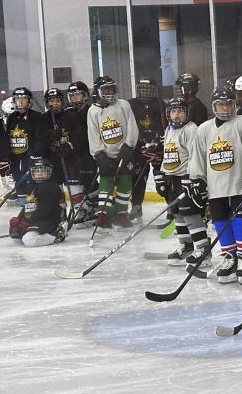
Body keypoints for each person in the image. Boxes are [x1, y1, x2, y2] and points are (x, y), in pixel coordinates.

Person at [187, 83, 242, 285]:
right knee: (220, 222)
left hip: (240, 185)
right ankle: (230, 258)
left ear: (234, 104)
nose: (225, 109)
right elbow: (198, 158)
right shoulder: (204, 129)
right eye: (220, 105)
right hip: (215, 187)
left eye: (228, 104)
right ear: (214, 106)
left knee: (241, 221)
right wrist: (197, 179)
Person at [156, 97, 208, 267]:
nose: (176, 115)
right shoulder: (169, 129)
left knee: (190, 213)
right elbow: (167, 153)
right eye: (173, 111)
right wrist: (162, 174)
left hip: (187, 177)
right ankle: (186, 245)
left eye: (179, 111)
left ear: (187, 113)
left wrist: (193, 179)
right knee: (177, 212)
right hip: (173, 178)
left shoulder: (191, 130)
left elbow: (196, 156)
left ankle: (202, 250)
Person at [87, 76, 139, 228]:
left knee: (124, 182)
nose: (109, 92)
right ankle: (104, 213)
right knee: (105, 184)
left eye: (111, 88)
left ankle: (121, 214)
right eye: (105, 89)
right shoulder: (93, 111)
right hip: (106, 155)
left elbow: (132, 126)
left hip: (125, 153)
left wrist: (129, 146)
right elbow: (93, 133)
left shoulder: (123, 105)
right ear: (97, 92)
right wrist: (99, 154)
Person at [128, 77, 166, 221]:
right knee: (137, 178)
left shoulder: (160, 104)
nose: (144, 93)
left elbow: (165, 124)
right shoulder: (130, 104)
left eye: (148, 90)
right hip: (138, 149)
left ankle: (172, 207)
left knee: (163, 179)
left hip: (157, 148)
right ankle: (136, 206)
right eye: (141, 89)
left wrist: (159, 139)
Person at [5, 86, 49, 206]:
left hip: (30, 156)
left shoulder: (37, 117)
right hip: (15, 157)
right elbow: (8, 136)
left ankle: (32, 210)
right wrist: (6, 156)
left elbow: (41, 137)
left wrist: (36, 154)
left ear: (29, 101)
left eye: (24, 98)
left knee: (30, 182)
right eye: (17, 99)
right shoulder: (12, 117)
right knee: (18, 181)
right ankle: (24, 209)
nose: (20, 101)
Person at [8, 156, 66, 246]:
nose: (40, 173)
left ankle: (56, 235)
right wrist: (19, 219)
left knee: (29, 240)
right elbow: (28, 206)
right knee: (16, 238)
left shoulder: (52, 187)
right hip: (34, 220)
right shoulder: (31, 186)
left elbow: (45, 210)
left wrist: (27, 222)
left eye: (43, 171)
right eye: (37, 171)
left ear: (49, 172)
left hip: (48, 220)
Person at [62, 81, 97, 224]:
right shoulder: (67, 113)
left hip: (89, 153)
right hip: (72, 154)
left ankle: (95, 208)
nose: (75, 98)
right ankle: (82, 209)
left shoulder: (92, 111)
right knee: (74, 182)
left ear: (85, 96)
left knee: (91, 183)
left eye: (78, 95)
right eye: (73, 96)